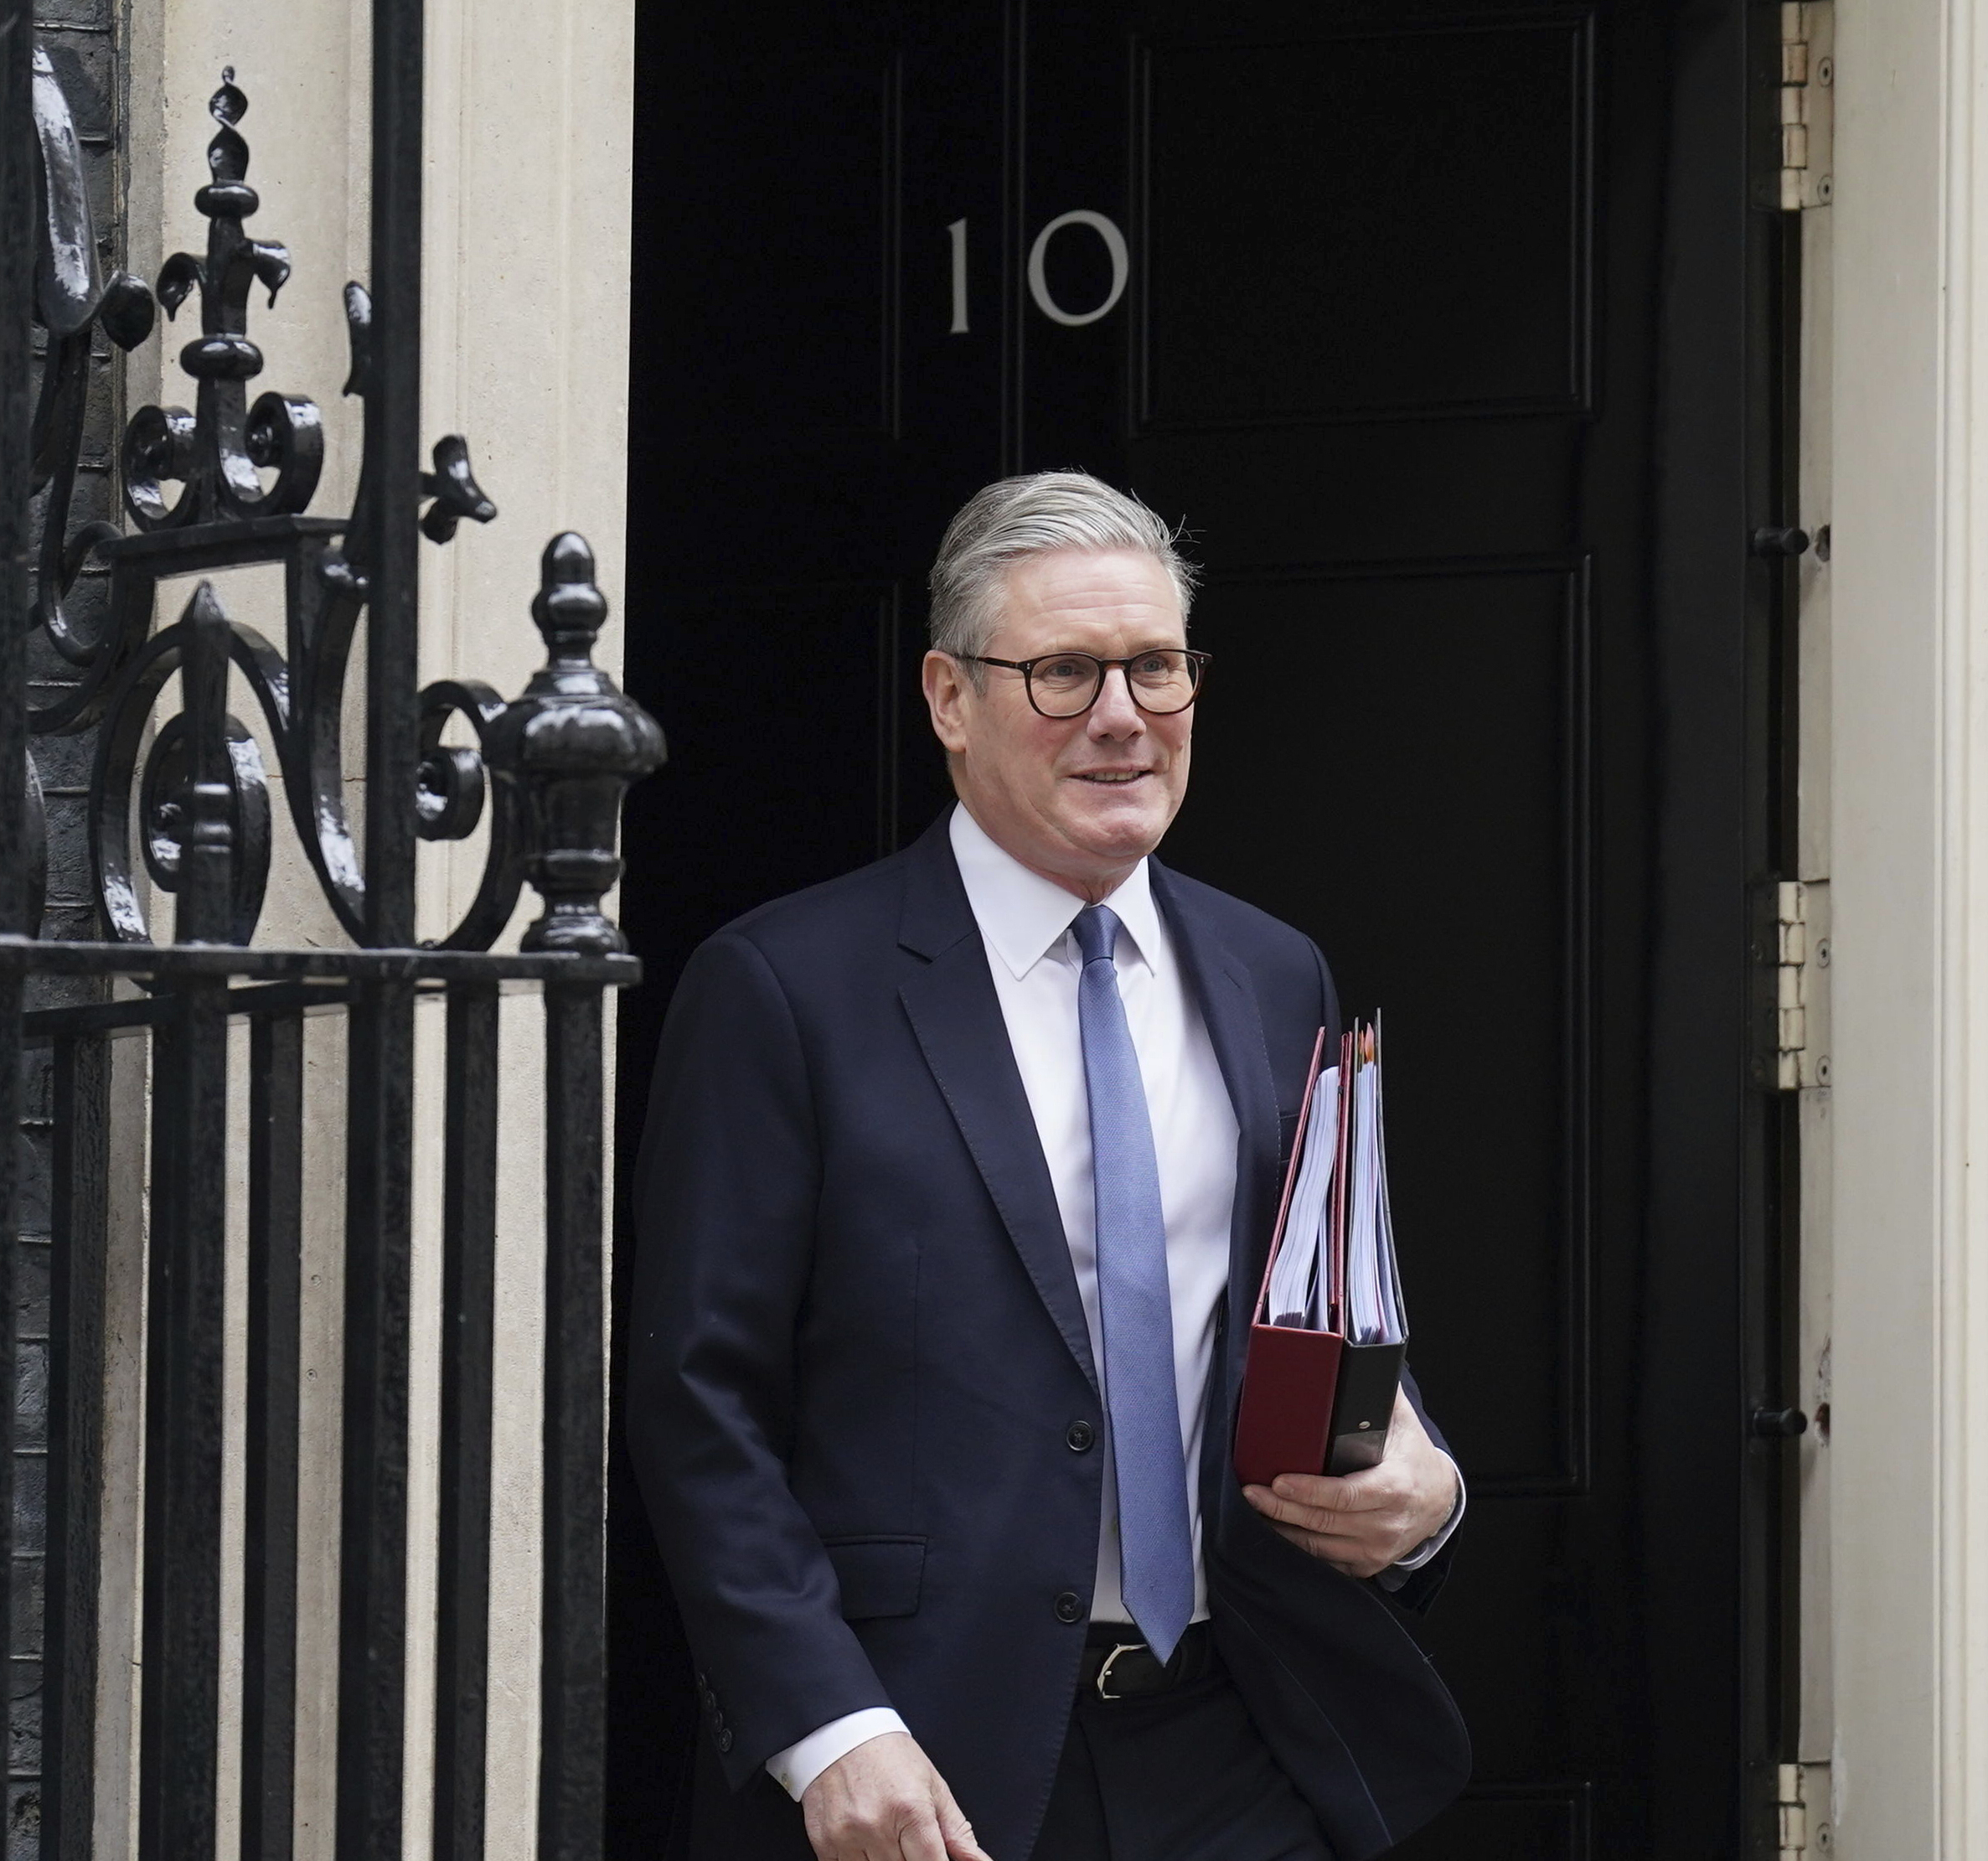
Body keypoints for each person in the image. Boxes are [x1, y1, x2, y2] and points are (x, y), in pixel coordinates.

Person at [628, 473, 1469, 1861]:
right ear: (949, 698)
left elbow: (1328, 1309)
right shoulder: (785, 987)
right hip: (922, 1760)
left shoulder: (1274, 971)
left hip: (1244, 1735)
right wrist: (829, 1721)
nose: (1124, 715)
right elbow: (696, 1395)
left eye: (1156, 666)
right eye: (1066, 671)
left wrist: (1422, 1487)